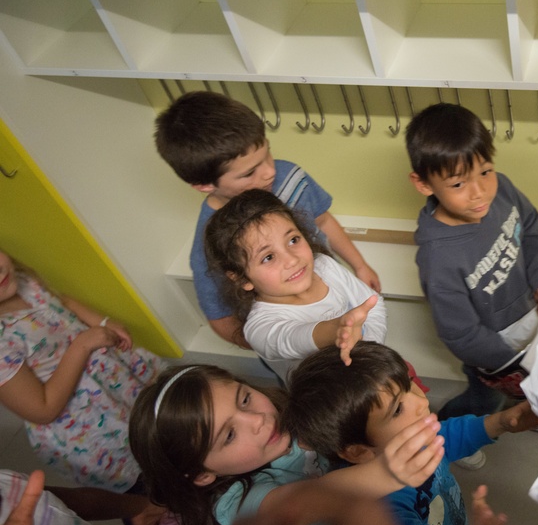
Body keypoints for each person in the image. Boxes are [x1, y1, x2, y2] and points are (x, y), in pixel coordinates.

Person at [154, 90, 380, 349]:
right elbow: (220, 318)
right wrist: (275, 348)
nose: (270, 172)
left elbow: (324, 221)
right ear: (204, 185)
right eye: (249, 172)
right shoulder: (210, 244)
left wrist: (359, 266)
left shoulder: (290, 176)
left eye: (267, 154)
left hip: (340, 302)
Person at [128, 363, 445, 525]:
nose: (258, 421)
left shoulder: (290, 417)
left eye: (245, 399)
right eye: (229, 434)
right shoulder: (234, 503)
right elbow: (298, 504)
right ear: (202, 473)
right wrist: (387, 473)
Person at [285, 342, 538, 525]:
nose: (421, 402)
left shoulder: (410, 441)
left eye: (408, 385)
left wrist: (502, 422)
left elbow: (449, 436)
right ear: (358, 451)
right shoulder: (382, 513)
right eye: (398, 409)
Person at [405, 103, 538, 431]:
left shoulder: (501, 188)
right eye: (458, 184)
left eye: (485, 171)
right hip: (490, 350)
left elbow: (531, 229)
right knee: (484, 403)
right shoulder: (437, 257)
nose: (480, 192)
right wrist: (510, 366)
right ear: (424, 184)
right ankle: (444, 432)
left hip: (532, 319)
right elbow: (459, 332)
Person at [0, 249, 166, 525]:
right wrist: (82, 345)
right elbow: (42, 409)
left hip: (117, 385)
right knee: (143, 476)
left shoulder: (20, 280)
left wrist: (101, 322)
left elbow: (60, 301)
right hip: (90, 425)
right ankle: (155, 516)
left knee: (162, 433)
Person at [203, 188, 386, 382]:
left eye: (293, 240)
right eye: (268, 257)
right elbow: (294, 338)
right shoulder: (260, 330)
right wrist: (337, 330)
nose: (291, 260)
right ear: (242, 279)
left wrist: (372, 354)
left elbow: (374, 306)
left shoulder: (324, 265)